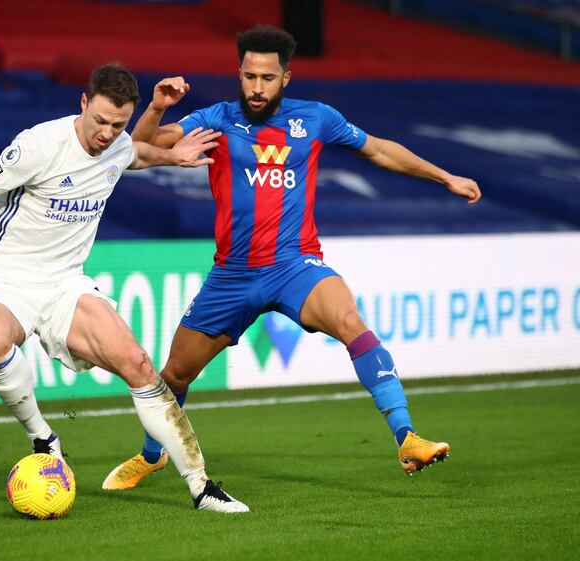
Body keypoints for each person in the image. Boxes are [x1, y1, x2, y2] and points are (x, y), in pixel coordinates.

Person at [102, 26, 481, 492]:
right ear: (238, 74)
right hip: (233, 276)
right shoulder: (217, 118)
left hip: (295, 265)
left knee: (349, 320)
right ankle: (153, 455)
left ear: (286, 77)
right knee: (174, 374)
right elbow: (138, 149)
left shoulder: (316, 118)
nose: (256, 87)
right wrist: (158, 107)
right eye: (248, 76)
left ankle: (407, 437)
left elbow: (380, 150)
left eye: (266, 77)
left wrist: (445, 177)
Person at [0, 64, 249, 513]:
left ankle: (201, 487)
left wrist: (173, 156)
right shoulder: (39, 145)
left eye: (118, 125)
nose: (107, 134)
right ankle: (43, 439)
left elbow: (137, 154)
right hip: (3, 275)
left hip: (64, 282)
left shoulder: (118, 144)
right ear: (84, 103)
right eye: (101, 121)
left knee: (138, 363)